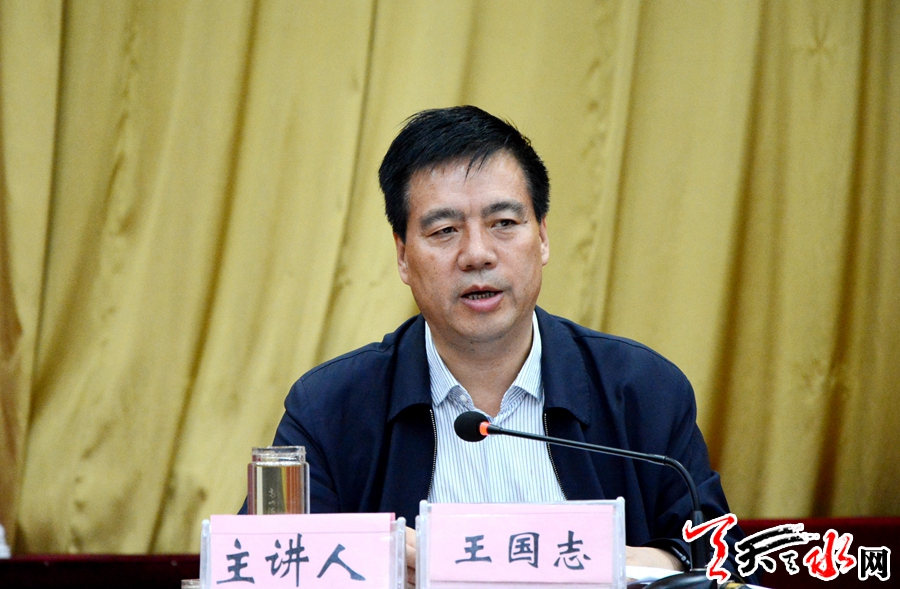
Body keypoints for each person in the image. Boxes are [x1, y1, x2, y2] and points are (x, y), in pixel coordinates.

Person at [266, 106, 752, 584]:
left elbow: (720, 561)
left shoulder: (643, 391)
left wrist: (601, 563)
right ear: (402, 256)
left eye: (503, 223)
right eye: (444, 231)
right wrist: (375, 561)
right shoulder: (329, 409)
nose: (477, 254)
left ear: (542, 237)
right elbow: (270, 564)